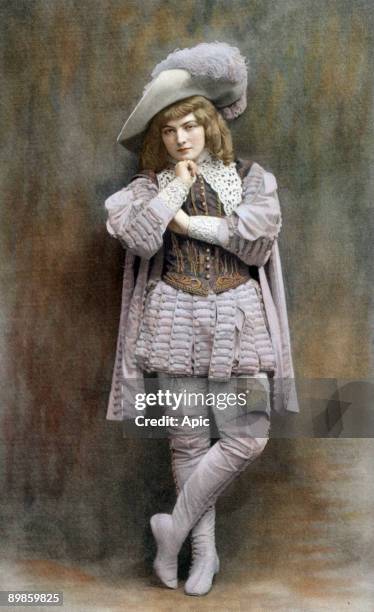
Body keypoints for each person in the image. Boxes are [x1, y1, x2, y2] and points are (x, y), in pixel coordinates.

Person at [104, 42, 298, 596]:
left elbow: (255, 246)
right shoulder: (148, 190)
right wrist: (176, 194)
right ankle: (201, 555)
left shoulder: (251, 180)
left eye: (191, 125)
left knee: (248, 437)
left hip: (239, 318)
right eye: (169, 131)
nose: (182, 138)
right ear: (159, 139)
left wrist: (191, 225)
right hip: (174, 319)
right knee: (187, 443)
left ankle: (174, 528)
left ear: (210, 126)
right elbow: (138, 239)